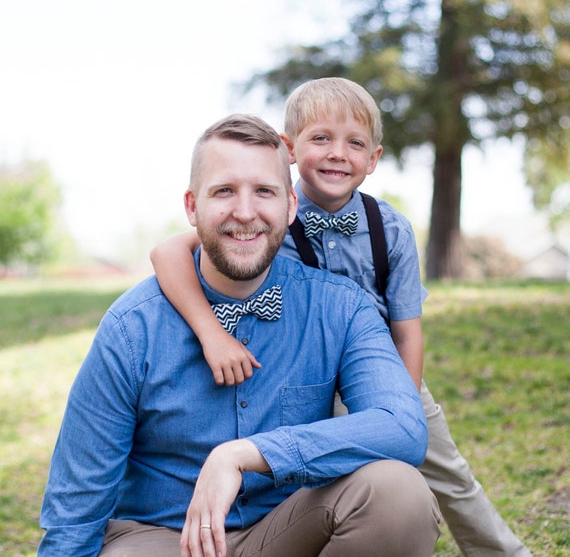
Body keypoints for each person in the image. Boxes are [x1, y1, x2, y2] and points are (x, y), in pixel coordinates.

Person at [150, 78, 532, 556]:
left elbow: (408, 333)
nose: (337, 153)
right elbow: (167, 252)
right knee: (315, 469)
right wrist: (211, 333)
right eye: (320, 138)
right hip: (306, 374)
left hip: (385, 373)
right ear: (289, 149)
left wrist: (397, 407)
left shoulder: (390, 229)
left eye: (355, 143)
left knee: (449, 473)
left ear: (373, 159)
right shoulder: (267, 214)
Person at [38, 113, 440, 557]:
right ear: (192, 207)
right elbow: (75, 507)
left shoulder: (340, 307)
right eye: (224, 191)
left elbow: (403, 427)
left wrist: (247, 453)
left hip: (291, 528)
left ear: (289, 207)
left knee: (398, 492)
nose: (245, 213)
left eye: (264, 191)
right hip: (165, 539)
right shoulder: (133, 327)